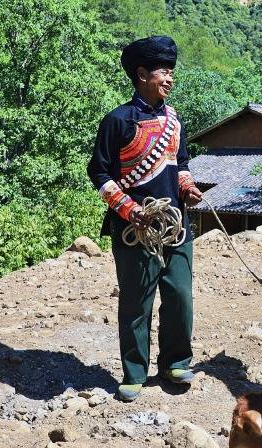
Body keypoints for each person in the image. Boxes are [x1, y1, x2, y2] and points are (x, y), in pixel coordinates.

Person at [87, 36, 203, 402]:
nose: (170, 78)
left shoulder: (174, 120)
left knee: (180, 294)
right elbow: (100, 174)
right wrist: (129, 209)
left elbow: (180, 164)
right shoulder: (117, 121)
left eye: (172, 71)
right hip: (134, 230)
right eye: (163, 72)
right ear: (141, 74)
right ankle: (134, 372)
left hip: (175, 224)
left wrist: (187, 187)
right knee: (137, 301)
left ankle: (176, 363)